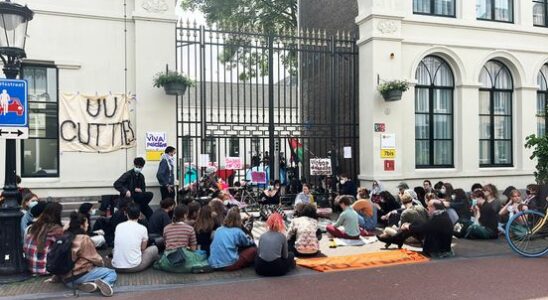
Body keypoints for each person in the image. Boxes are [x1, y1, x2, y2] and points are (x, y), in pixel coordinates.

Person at [61, 212, 116, 297]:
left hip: (67, 280)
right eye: (86, 223)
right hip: (80, 274)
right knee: (111, 273)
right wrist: (102, 264)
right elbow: (95, 258)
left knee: (89, 276)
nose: (87, 225)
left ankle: (83, 285)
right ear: (82, 225)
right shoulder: (84, 238)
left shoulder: (64, 237)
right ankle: (102, 284)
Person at [112, 204, 159, 272]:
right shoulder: (143, 228)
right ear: (139, 214)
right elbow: (143, 248)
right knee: (154, 249)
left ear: (126, 214)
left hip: (116, 267)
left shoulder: (118, 226)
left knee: (114, 249)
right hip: (134, 266)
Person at [23, 202, 64, 275]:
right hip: (44, 268)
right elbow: (63, 246)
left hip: (30, 266)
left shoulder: (34, 226)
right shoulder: (55, 229)